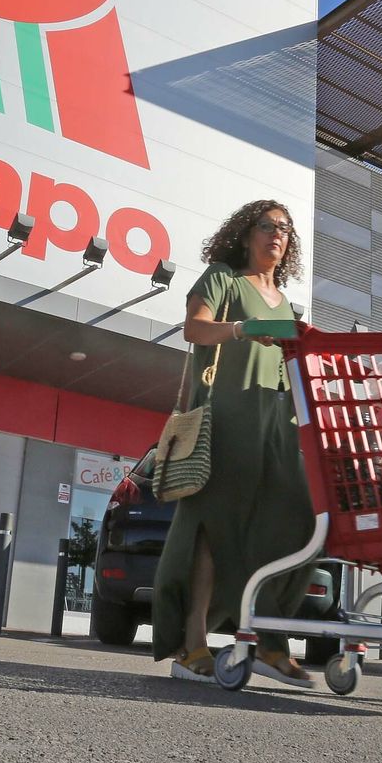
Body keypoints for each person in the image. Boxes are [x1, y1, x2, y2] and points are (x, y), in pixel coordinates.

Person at [152, 200, 318, 687]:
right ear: (246, 235)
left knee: (297, 520)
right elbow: (194, 328)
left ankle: (267, 641)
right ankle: (193, 643)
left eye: (284, 229)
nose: (276, 234)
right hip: (225, 420)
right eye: (266, 226)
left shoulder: (284, 302)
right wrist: (244, 328)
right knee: (212, 530)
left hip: (275, 426)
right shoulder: (223, 278)